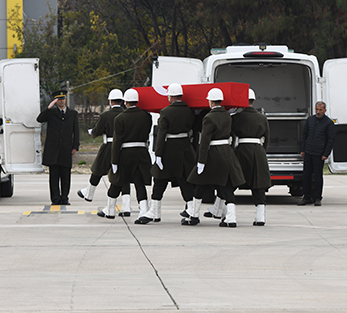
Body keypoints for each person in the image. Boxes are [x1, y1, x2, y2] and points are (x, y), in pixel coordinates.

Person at [136, 83, 197, 225]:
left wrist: (158, 154)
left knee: (159, 180)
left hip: (169, 150)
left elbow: (162, 134)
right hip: (185, 149)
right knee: (185, 181)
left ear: (170, 96)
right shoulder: (190, 111)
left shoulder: (165, 112)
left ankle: (154, 212)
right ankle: (192, 211)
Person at [184, 88, 245, 226]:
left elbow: (205, 140)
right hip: (226, 152)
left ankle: (193, 216)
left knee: (199, 184)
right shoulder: (228, 116)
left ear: (211, 101)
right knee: (226, 187)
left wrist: (201, 160)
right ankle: (231, 218)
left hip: (212, 153)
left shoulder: (209, 117)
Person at [98, 89, 152, 219]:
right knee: (139, 183)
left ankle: (110, 209)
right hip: (141, 152)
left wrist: (114, 161)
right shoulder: (147, 116)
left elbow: (117, 141)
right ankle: (143, 210)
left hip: (125, 154)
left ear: (126, 102)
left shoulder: (120, 118)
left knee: (117, 182)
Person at [77, 89, 131, 214]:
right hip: (124, 147)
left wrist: (92, 132)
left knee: (97, 169)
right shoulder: (126, 113)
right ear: (122, 100)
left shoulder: (106, 115)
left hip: (109, 146)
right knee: (123, 176)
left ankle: (89, 193)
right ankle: (126, 206)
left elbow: (97, 131)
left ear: (111, 101)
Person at [231, 88, 271, 226]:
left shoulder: (236, 117)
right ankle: (260, 217)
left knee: (232, 181)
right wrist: (261, 152)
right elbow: (267, 138)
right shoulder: (262, 118)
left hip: (242, 149)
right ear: (253, 101)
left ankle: (226, 214)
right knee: (258, 184)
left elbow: (231, 136)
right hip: (258, 151)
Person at [36, 89, 79, 205]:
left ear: (66, 99)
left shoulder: (72, 114)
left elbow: (76, 132)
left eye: (63, 99)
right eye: (59, 100)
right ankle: (55, 198)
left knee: (66, 175)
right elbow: (39, 119)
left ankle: (65, 197)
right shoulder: (51, 113)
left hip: (66, 149)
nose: (61, 101)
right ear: (56, 101)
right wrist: (49, 107)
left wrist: (75, 146)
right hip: (53, 150)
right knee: (54, 176)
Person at [299, 101, 336, 206]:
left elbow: (331, 140)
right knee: (306, 175)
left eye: (320, 110)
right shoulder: (310, 120)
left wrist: (326, 154)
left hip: (319, 154)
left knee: (318, 176)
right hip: (308, 152)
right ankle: (306, 197)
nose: (318, 112)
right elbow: (305, 135)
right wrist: (303, 149)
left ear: (325, 110)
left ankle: (317, 198)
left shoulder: (328, 123)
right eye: (316, 109)